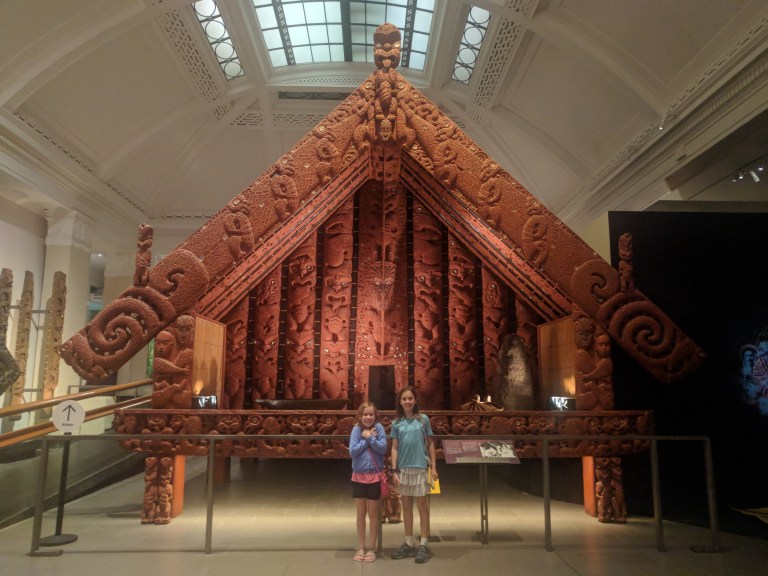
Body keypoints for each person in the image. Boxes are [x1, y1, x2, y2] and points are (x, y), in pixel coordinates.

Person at [390, 386, 438, 564]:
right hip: (403, 469)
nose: (408, 401)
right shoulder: (396, 423)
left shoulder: (423, 420)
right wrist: (394, 470)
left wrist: (433, 467)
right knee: (406, 506)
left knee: (422, 505)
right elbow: (394, 448)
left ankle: (424, 543)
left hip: (420, 467)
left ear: (415, 400)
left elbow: (431, 444)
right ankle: (409, 542)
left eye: (410, 398)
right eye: (404, 399)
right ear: (400, 402)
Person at [348, 402, 386, 563]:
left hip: (375, 477)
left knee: (373, 514)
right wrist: (366, 439)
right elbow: (353, 451)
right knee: (361, 513)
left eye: (371, 414)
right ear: (360, 416)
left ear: (375, 416)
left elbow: (383, 449)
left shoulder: (380, 429)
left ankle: (371, 547)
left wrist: (370, 437)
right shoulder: (356, 430)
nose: (368, 417)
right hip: (358, 477)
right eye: (365, 414)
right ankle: (361, 546)